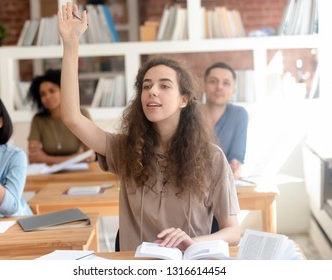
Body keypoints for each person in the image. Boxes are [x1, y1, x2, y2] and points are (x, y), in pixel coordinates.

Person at [58, 2, 240, 251]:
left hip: (189, 267)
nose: (152, 91)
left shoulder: (212, 158)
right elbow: (71, 117)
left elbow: (233, 232)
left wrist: (192, 242)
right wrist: (71, 44)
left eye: (164, 86)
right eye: (146, 86)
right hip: (136, 267)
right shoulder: (125, 149)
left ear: (183, 99)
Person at [27, 68, 95, 164]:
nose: (47, 97)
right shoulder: (38, 120)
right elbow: (33, 157)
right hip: (48, 174)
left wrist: (46, 159)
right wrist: (76, 158)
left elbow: (90, 155)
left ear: (64, 91)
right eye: (43, 94)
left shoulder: (81, 114)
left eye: (52, 91)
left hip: (78, 172)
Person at [201, 62, 249, 179]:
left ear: (234, 90)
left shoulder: (239, 115)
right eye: (213, 81)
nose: (219, 87)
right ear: (204, 86)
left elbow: (236, 157)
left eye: (226, 83)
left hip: (223, 183)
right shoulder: (189, 113)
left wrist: (235, 166)